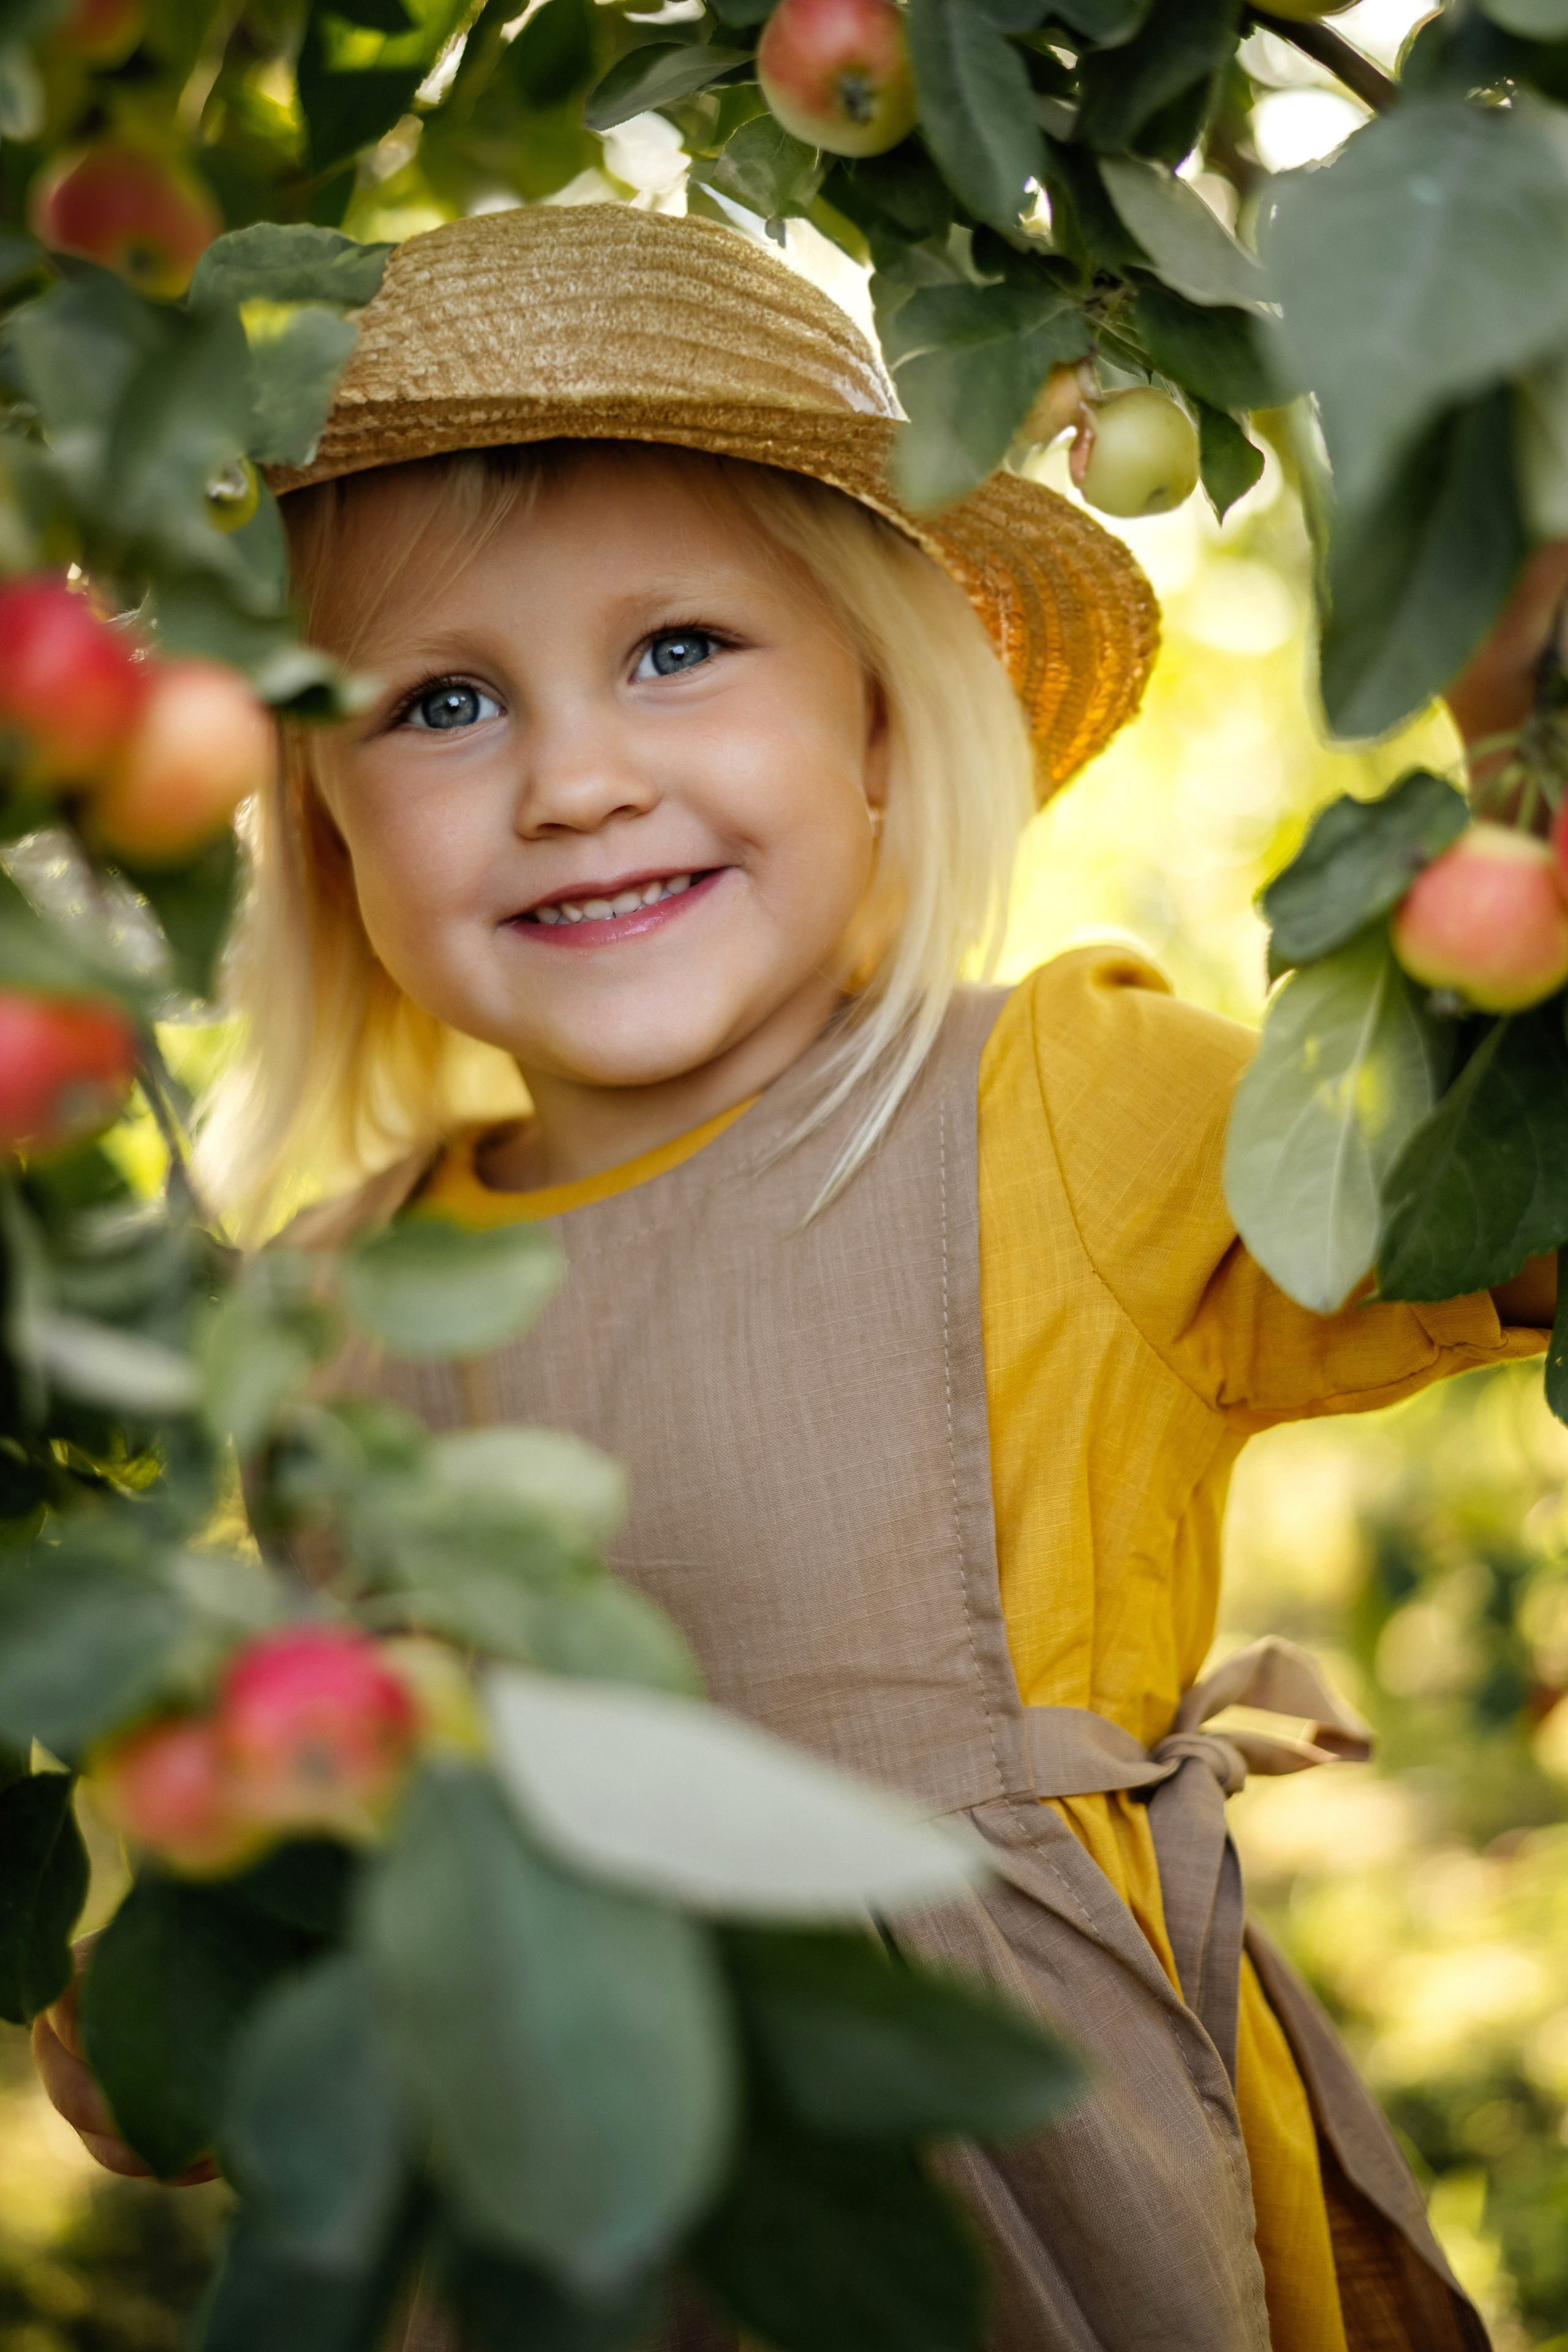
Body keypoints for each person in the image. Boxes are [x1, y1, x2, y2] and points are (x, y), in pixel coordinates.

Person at [32, 203, 1559, 2352]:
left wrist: (1520, 747)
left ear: (873, 711)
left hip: (1028, 2206)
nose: (574, 782)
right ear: (321, 823)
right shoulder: (330, 1307)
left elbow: (1518, 1198)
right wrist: (193, 1970)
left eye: (678, 650)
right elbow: (310, 1814)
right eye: (445, 702)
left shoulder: (1060, 1105)